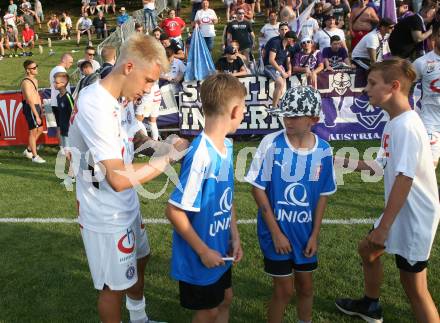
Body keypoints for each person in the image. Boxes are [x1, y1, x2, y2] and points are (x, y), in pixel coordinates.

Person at [69, 34, 188, 323]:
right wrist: (166, 159)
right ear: (129, 67)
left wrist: (164, 145)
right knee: (114, 288)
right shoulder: (95, 104)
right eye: (148, 81)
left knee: (141, 257)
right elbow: (118, 179)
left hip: (124, 202)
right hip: (103, 211)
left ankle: (139, 319)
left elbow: (135, 137)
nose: (150, 89)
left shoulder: (119, 97)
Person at [334, 57, 440, 323]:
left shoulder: (406, 126)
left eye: (372, 83)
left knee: (415, 288)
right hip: (402, 212)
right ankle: (370, 306)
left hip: (415, 217)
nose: (366, 89)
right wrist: (337, 160)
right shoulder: (394, 122)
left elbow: (404, 179)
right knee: (367, 250)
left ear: (393, 86)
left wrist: (383, 227)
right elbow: (380, 166)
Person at [245, 86, 336, 323]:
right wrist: (276, 232)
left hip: (305, 234)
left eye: (295, 116)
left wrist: (315, 235)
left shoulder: (324, 150)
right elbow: (257, 188)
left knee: (306, 287)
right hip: (275, 233)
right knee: (284, 290)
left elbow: (323, 195)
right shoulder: (271, 143)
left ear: (313, 119)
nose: (288, 120)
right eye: (285, 114)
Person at [166, 73, 244, 323]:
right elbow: (174, 210)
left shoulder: (227, 146)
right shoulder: (201, 154)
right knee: (208, 311)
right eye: (243, 109)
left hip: (221, 246)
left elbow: (227, 197)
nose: (243, 114)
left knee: (225, 298)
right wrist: (203, 251)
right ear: (233, 111)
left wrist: (234, 235)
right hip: (200, 253)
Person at [413, 24, 440, 168]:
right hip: (431, 122)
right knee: (428, 166)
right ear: (435, 37)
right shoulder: (421, 62)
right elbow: (406, 85)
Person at [263, 25, 296, 108]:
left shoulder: (288, 47)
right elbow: (271, 60)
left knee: (281, 87)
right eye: (293, 40)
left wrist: (289, 70)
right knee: (280, 83)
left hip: (279, 67)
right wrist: (282, 72)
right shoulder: (275, 43)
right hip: (270, 66)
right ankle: (274, 107)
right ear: (289, 39)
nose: (294, 42)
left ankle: (277, 105)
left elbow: (288, 61)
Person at [21, 60, 45, 163]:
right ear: (28, 70)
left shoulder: (35, 80)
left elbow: (36, 95)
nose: (36, 69)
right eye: (34, 68)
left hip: (36, 107)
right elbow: (29, 100)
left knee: (40, 130)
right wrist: (36, 114)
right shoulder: (26, 82)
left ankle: (29, 149)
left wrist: (41, 108)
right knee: (33, 131)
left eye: (36, 66)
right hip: (31, 108)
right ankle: (35, 156)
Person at [54, 71, 74, 178]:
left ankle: (72, 175)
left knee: (68, 153)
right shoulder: (58, 97)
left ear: (63, 83)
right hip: (63, 129)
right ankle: (71, 174)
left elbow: (73, 113)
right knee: (67, 153)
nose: (54, 84)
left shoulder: (68, 97)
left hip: (69, 130)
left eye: (56, 82)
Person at [49, 53, 73, 146]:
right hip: (62, 102)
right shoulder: (61, 71)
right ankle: (64, 147)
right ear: (64, 60)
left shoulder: (53, 69)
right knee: (65, 126)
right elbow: (64, 88)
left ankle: (62, 147)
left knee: (60, 126)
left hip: (56, 101)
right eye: (70, 62)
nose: (71, 64)